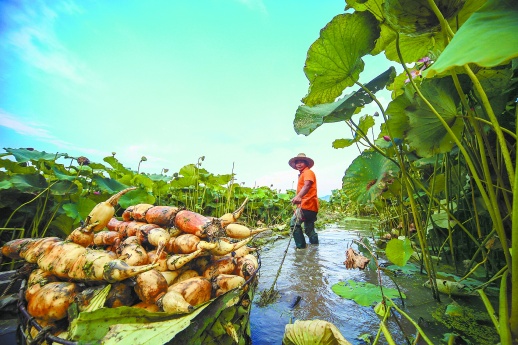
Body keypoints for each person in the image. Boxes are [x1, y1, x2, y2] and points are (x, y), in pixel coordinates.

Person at [289, 153, 319, 249]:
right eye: (297, 162)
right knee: (309, 230)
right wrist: (297, 197)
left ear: (306, 163)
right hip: (312, 207)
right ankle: (315, 247)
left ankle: (301, 248)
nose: (299, 164)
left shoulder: (308, 172)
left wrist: (298, 197)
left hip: (306, 205)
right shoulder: (303, 174)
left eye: (301, 162)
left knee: (294, 223)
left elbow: (307, 185)